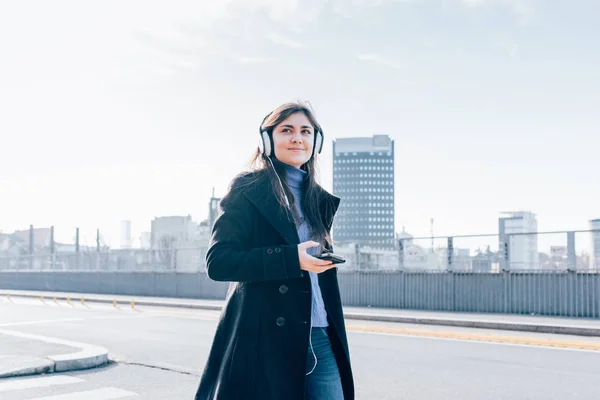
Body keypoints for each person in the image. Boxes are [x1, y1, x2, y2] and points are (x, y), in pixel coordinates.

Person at [195, 101, 354, 400]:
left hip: (320, 335)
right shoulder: (248, 189)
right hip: (267, 341)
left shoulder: (318, 200)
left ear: (315, 142)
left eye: (306, 131)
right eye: (287, 130)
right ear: (267, 140)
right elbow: (219, 262)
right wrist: (291, 259)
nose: (297, 138)